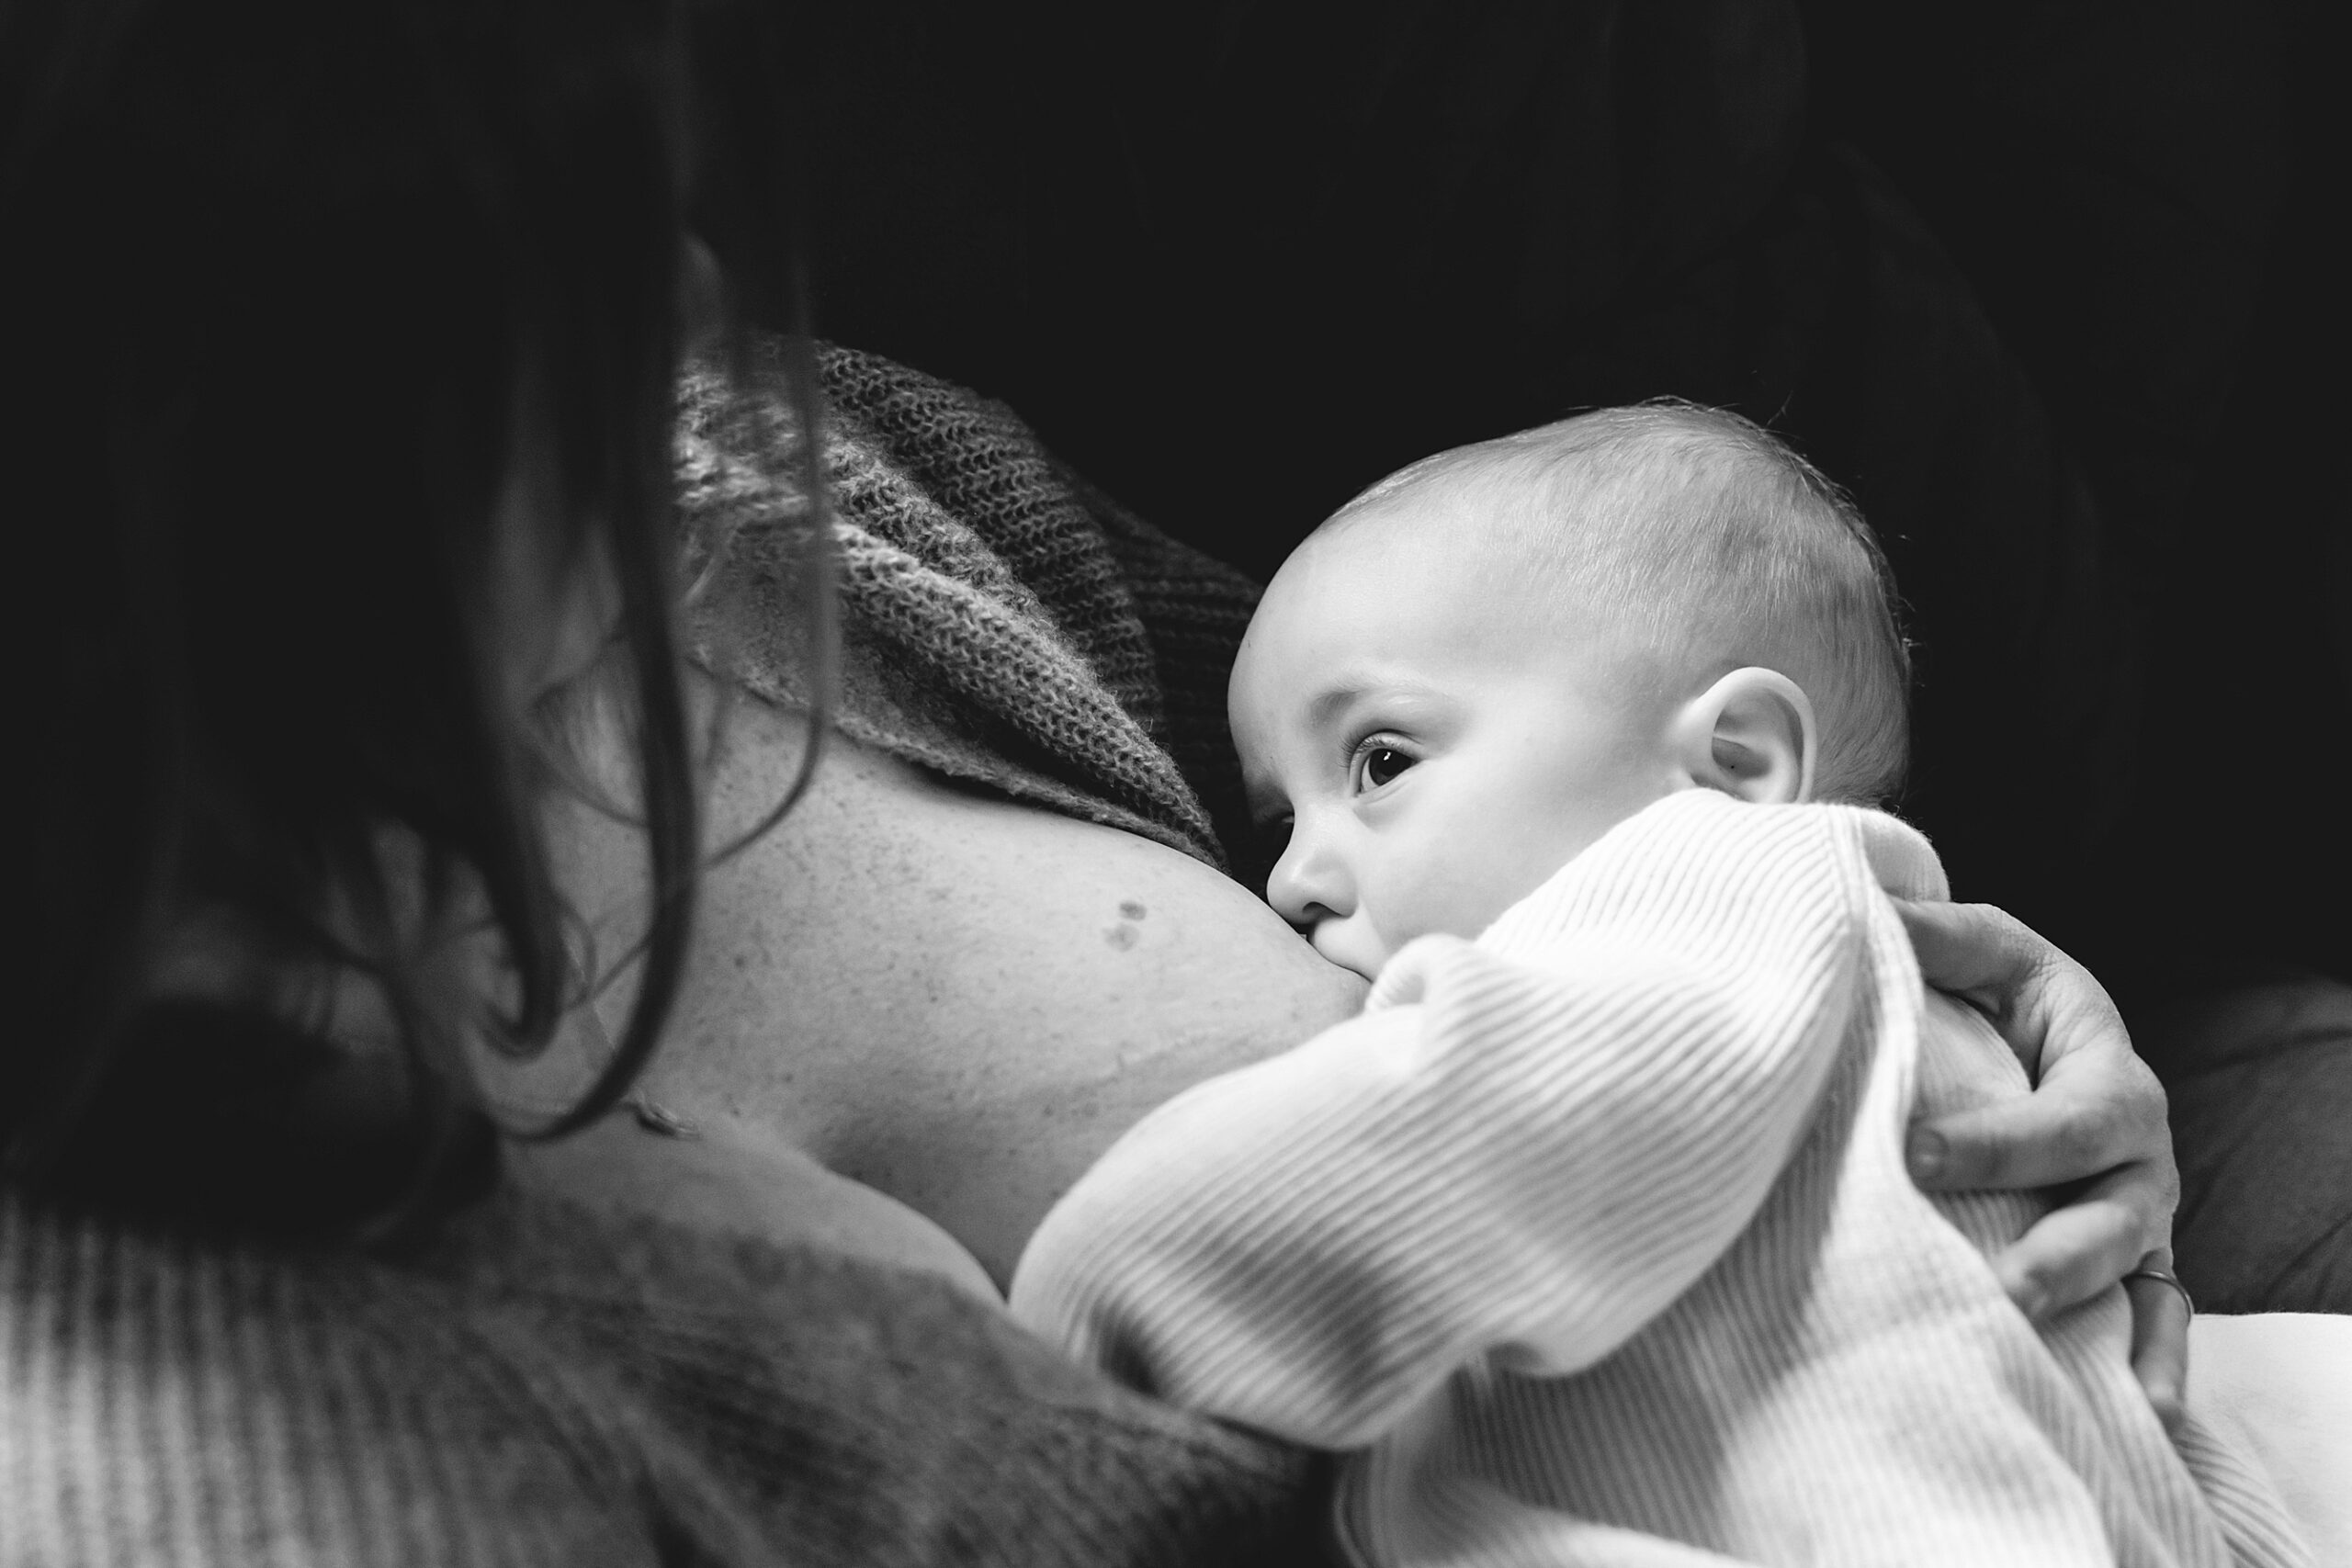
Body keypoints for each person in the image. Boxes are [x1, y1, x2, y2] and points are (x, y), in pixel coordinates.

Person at [0, 3, 2200, 1563]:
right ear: (219, 455)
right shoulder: (212, 1463)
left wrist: (1888, 980)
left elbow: (1547, 735)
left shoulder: (759, 500)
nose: (681, 306)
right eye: (552, 261)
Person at [1012, 406, 2352, 1564]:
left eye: (1378, 764)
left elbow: (1433, 1131)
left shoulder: (1708, 897)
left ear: (1736, 763)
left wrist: (1091, 1310)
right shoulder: (1852, 993)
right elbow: (2140, 1431)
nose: (1295, 878)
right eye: (1275, 824)